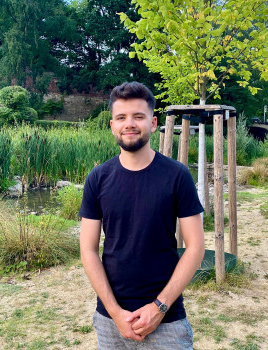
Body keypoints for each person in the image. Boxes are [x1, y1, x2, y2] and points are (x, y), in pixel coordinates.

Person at [79, 82, 205, 350]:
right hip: (110, 319)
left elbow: (195, 248)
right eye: (122, 117)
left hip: (167, 319)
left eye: (138, 116)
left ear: (153, 121)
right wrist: (114, 312)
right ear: (112, 124)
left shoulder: (177, 175)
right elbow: (88, 250)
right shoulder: (98, 179)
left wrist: (159, 307)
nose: (130, 124)